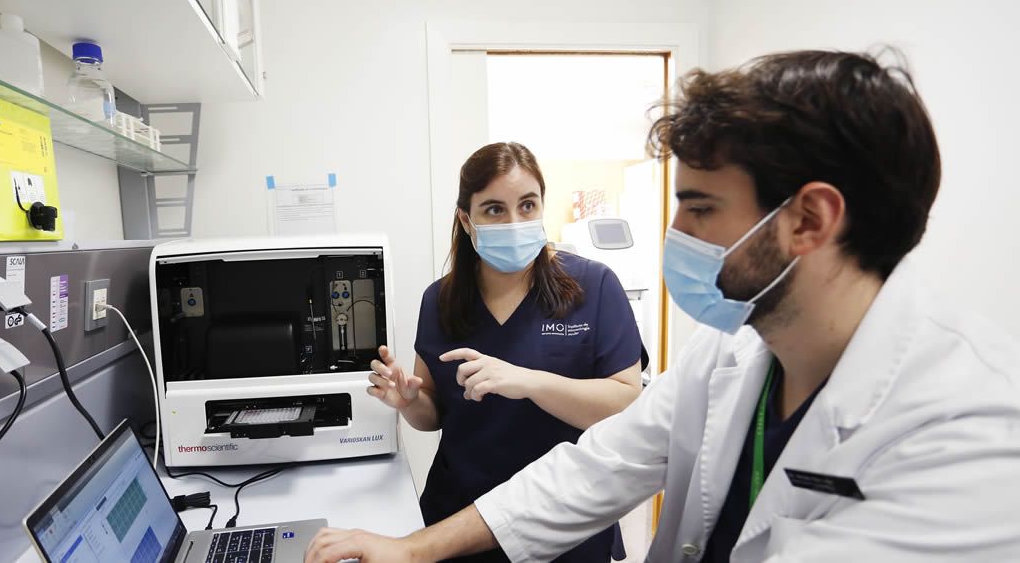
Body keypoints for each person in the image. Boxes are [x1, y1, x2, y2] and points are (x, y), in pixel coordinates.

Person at [305, 49, 1020, 562]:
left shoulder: (973, 434)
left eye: (700, 208)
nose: (676, 234)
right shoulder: (733, 357)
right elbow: (594, 469)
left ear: (808, 220)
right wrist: (412, 549)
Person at [365, 141, 647, 562]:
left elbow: (627, 404)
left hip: (566, 523)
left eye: (527, 205)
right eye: (495, 209)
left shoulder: (594, 287)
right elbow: (433, 414)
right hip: (459, 520)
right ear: (467, 219)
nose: (515, 222)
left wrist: (528, 382)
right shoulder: (440, 300)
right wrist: (408, 401)